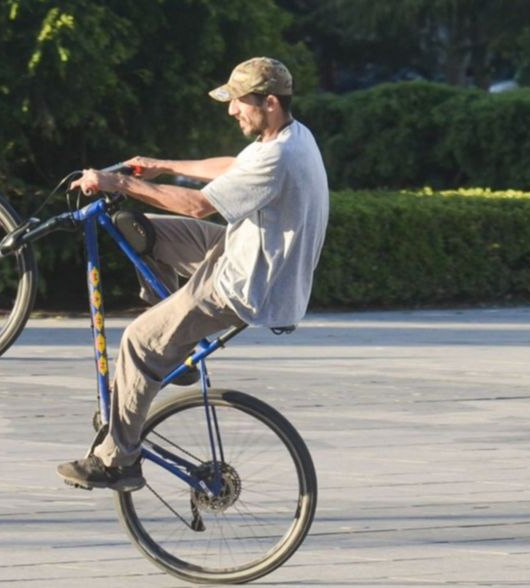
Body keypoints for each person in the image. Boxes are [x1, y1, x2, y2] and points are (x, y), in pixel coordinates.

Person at [58, 57, 329, 491]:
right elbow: (231, 167)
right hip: (246, 252)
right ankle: (175, 351)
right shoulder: (291, 136)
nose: (231, 110)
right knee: (143, 230)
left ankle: (117, 461)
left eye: (239, 102)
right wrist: (162, 165)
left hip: (244, 284)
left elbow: (197, 205)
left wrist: (119, 184)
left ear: (271, 102)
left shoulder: (279, 157)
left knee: (138, 343)